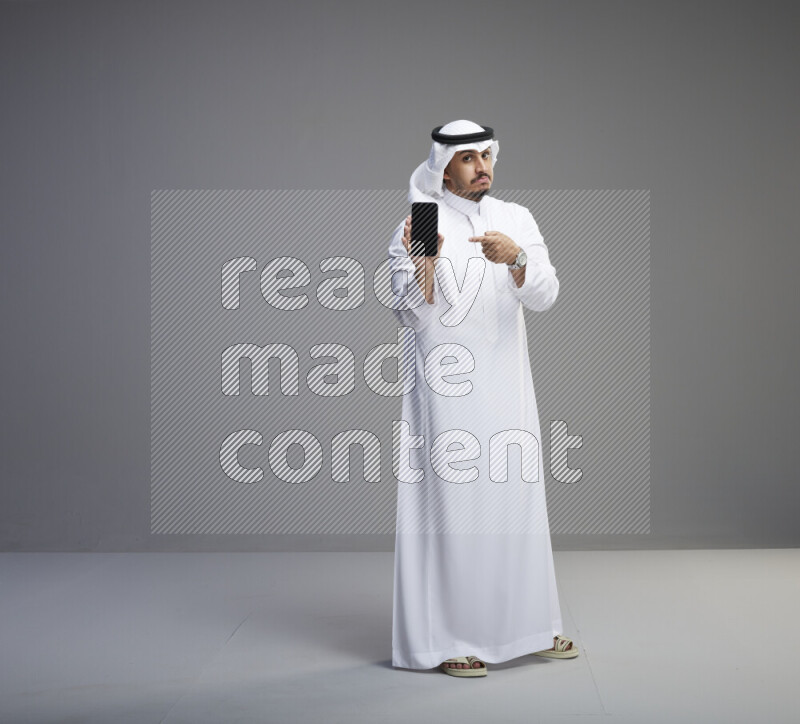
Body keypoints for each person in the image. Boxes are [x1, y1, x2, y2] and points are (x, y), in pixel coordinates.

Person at [387, 120, 578, 677]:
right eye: (467, 158)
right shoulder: (423, 218)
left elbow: (545, 295)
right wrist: (424, 261)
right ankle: (450, 639)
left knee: (517, 503)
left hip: (508, 386)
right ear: (443, 168)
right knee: (454, 509)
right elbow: (408, 313)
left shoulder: (515, 218)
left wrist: (517, 259)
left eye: (485, 156)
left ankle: (531, 627)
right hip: (447, 391)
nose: (481, 167)